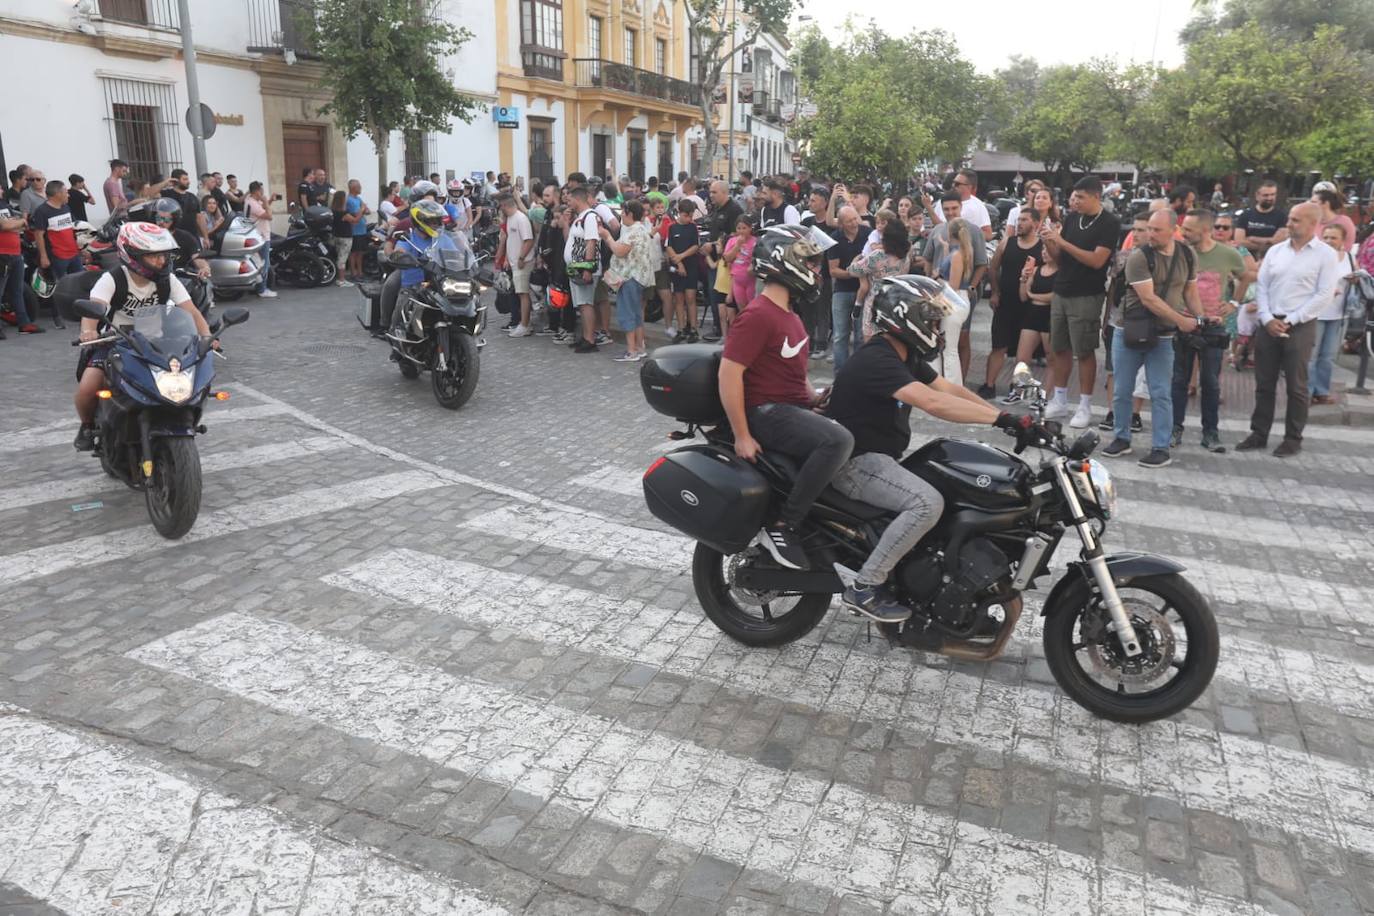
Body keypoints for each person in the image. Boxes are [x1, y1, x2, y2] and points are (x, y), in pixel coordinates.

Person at [825, 276, 1044, 622]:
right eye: (929, 320)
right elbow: (932, 403)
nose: (936, 328)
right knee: (927, 502)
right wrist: (1000, 419)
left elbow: (947, 390)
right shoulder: (878, 358)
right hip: (855, 463)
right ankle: (865, 586)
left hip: (880, 458)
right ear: (903, 318)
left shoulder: (903, 353)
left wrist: (1008, 417)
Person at [719, 224, 849, 571]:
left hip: (788, 407)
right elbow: (729, 374)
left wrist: (815, 397)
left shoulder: (789, 314)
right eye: (807, 262)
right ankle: (784, 527)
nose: (814, 270)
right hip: (765, 412)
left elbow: (791, 371)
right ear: (783, 262)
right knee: (837, 441)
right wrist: (742, 435)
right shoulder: (758, 314)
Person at [73, 222, 214, 451]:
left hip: (156, 342)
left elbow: (191, 311)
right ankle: (87, 425)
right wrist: (88, 331)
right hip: (114, 341)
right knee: (88, 386)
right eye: (153, 256)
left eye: (164, 255)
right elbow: (94, 308)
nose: (161, 261)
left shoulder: (168, 280)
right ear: (133, 256)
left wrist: (207, 337)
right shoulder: (113, 279)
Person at [1100, 209, 1203, 469]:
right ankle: (1121, 438)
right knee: (1122, 389)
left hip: (1164, 335)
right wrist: (1182, 321)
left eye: (1156, 230)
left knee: (1160, 392)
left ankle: (1160, 447)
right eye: (1148, 229)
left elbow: (1190, 291)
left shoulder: (1187, 255)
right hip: (1130, 329)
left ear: (1173, 230)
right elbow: (1148, 298)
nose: (1150, 234)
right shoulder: (1139, 257)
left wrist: (1200, 319)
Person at [1236, 203, 1340, 457]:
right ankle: (1259, 433)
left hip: (1300, 325)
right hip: (1269, 321)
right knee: (1264, 382)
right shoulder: (1276, 251)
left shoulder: (1325, 255)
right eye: (1290, 219)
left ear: (1312, 223)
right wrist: (1267, 317)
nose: (1289, 224)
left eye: (1295, 220)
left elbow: (1324, 294)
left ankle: (1293, 438)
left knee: (1296, 386)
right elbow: (1262, 286)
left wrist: (1292, 319)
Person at [1041, 177, 1120, 430]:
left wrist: (1062, 241)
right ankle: (1060, 398)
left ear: (1096, 196)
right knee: (1059, 347)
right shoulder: (1073, 219)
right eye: (1073, 197)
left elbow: (1098, 261)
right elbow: (1061, 258)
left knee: (1084, 351)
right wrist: (1049, 241)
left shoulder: (1109, 223)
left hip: (1087, 294)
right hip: (1061, 289)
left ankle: (1085, 405)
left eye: (1080, 197)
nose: (1074, 201)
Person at [1174, 208, 1247, 452]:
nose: (1183, 233)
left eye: (1189, 229)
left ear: (1205, 231)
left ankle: (1210, 432)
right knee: (1179, 380)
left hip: (1214, 327)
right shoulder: (1181, 252)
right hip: (1185, 324)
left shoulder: (1228, 254)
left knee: (1211, 382)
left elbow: (1245, 276)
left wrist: (1234, 303)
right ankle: (1175, 429)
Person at [983, 208, 1044, 398]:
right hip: (1005, 303)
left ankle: (1016, 387)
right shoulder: (1007, 243)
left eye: (1024, 220)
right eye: (1018, 220)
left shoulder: (1042, 247)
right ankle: (989, 384)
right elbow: (993, 268)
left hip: (1029, 305)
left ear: (1035, 223)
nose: (1019, 223)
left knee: (1022, 351)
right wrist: (995, 292)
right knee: (998, 346)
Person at [600, 198, 655, 361]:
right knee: (636, 314)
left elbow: (619, 251)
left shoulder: (633, 231)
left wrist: (607, 236)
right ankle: (639, 347)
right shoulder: (639, 229)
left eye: (623, 212)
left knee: (627, 314)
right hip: (638, 278)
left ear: (629, 213)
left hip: (630, 278)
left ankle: (631, 351)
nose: (621, 215)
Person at [1309, 223, 1355, 405]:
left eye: (1333, 237)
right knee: (1311, 356)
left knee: (1328, 356)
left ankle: (1322, 391)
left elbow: (1356, 277)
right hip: (1317, 313)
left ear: (1342, 240)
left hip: (1339, 314)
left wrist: (1355, 280)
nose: (1329, 241)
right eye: (1326, 237)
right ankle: (1307, 392)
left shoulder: (1349, 258)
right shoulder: (1315, 257)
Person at [851, 217, 911, 341]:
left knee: (871, 346)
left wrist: (856, 260)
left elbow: (854, 271)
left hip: (875, 304)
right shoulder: (905, 258)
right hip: (895, 305)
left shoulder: (878, 256)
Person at [563, 186, 603, 352]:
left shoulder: (590, 217)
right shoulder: (579, 217)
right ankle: (585, 336)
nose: (568, 202)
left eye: (570, 199)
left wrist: (588, 268)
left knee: (586, 303)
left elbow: (591, 242)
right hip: (575, 267)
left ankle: (590, 339)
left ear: (578, 199)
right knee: (581, 303)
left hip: (584, 268)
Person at [827, 205, 867, 371]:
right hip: (842, 291)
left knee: (861, 335)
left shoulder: (867, 233)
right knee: (840, 336)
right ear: (841, 223)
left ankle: (858, 374)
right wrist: (853, 272)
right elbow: (833, 270)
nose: (854, 223)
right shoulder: (834, 238)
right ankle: (840, 375)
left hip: (864, 290)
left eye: (855, 218)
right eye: (849, 221)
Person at [31, 180, 84, 281]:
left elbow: (73, 228)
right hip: (57, 257)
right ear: (58, 194)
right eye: (66, 192)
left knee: (80, 282)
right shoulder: (42, 211)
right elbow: (38, 235)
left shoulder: (66, 207)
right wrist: (43, 256)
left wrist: (81, 248)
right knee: (60, 285)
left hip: (74, 254)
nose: (68, 195)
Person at [665, 197, 702, 343]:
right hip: (677, 268)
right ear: (679, 213)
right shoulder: (672, 228)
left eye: (691, 216)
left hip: (691, 266)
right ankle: (680, 328)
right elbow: (668, 247)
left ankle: (693, 328)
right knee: (678, 299)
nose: (689, 219)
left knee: (691, 298)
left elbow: (695, 246)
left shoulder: (692, 227)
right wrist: (678, 262)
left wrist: (681, 256)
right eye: (686, 216)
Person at [148, 198, 212, 281]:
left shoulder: (186, 237)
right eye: (158, 218)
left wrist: (204, 268)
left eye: (166, 219)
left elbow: (197, 257)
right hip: (154, 278)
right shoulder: (149, 236)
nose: (161, 222)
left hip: (179, 278)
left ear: (174, 220)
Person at [500, 193, 537, 337]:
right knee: (520, 293)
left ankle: (525, 324)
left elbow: (528, 240)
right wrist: (508, 259)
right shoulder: (510, 219)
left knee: (523, 294)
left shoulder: (521, 219)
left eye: (502, 206)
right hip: (515, 262)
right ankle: (524, 322)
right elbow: (511, 240)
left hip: (523, 262)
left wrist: (521, 257)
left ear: (505, 205)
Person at [0, 193, 35, 335]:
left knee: (17, 290)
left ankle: (24, 323)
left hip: (15, 252)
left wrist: (14, 224)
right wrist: (19, 222)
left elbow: (13, 226)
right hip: (2, 254)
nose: (2, 189)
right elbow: (4, 225)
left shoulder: (4, 205)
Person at [926, 168, 992, 241]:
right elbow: (938, 227)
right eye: (953, 182)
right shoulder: (943, 201)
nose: (953, 185)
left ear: (969, 187)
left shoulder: (978, 206)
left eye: (957, 184)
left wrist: (965, 235)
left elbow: (988, 235)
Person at [1234, 180, 1288, 260]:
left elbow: (1279, 242)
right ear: (1257, 195)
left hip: (1272, 259)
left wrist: (1253, 239)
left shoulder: (1282, 216)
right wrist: (1268, 242)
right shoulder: (1245, 215)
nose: (1269, 198)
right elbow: (1239, 242)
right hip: (1246, 259)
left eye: (1272, 194)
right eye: (1265, 195)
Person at [722, 214, 757, 335]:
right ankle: (746, 333)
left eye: (744, 228)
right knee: (742, 308)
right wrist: (737, 245)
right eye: (739, 228)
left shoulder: (755, 242)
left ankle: (754, 332)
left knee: (752, 308)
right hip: (737, 280)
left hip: (751, 280)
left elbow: (757, 259)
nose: (741, 231)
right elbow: (727, 258)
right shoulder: (732, 241)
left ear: (750, 228)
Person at [244, 182, 277, 298]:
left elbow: (262, 208)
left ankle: (261, 287)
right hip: (261, 236)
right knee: (264, 264)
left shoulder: (250, 200)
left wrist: (269, 201)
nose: (263, 193)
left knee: (260, 263)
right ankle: (262, 289)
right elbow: (269, 216)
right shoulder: (252, 203)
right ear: (257, 191)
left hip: (259, 235)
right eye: (261, 190)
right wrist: (266, 203)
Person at [1311, 188, 1356, 253]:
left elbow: (1347, 246)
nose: (1309, 205)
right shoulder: (1312, 221)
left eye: (1314, 202)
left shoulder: (1345, 221)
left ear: (1326, 203)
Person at [344, 180, 371, 282]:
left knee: (360, 252)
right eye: (358, 186)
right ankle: (353, 273)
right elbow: (356, 213)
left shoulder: (358, 198)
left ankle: (360, 272)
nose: (361, 188)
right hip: (354, 230)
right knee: (354, 253)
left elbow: (367, 210)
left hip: (362, 229)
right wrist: (362, 209)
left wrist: (363, 209)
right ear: (353, 188)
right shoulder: (349, 200)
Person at [328, 190, 354, 287]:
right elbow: (354, 221)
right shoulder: (343, 213)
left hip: (336, 236)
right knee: (342, 258)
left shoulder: (333, 211)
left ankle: (340, 278)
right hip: (345, 237)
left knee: (339, 256)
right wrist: (361, 211)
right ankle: (341, 280)